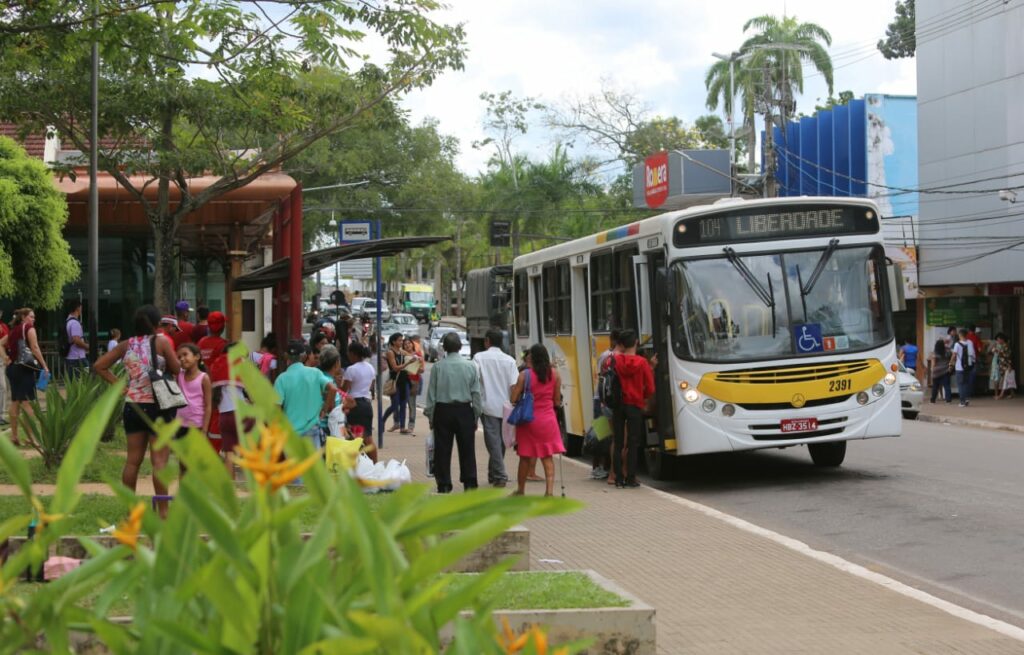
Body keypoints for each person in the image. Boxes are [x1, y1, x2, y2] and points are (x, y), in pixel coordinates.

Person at [94, 305, 180, 517]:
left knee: (132, 461)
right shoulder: (161, 341)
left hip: (133, 405)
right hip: (158, 406)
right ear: (156, 323)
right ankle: (163, 511)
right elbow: (177, 368)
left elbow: (99, 365)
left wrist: (120, 385)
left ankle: (130, 511)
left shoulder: (126, 345)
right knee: (159, 461)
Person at [424, 331, 481, 493]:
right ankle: (470, 482)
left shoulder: (438, 367)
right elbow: (476, 393)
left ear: (444, 348)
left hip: (443, 411)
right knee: (467, 448)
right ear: (460, 346)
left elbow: (432, 395)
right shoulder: (470, 366)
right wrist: (476, 415)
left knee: (442, 449)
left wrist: (430, 416)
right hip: (464, 410)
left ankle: (444, 483)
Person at [509, 344, 565, 497]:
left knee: (525, 457)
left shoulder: (525, 375)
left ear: (532, 358)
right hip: (548, 421)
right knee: (547, 457)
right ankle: (549, 492)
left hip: (528, 421)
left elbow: (513, 399)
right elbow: (557, 401)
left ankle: (521, 490)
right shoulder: (555, 374)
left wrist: (516, 392)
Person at [609, 329, 654, 489]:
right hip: (634, 404)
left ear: (621, 344)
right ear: (636, 343)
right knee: (633, 443)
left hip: (618, 404)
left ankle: (618, 478)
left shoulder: (614, 360)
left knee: (619, 441)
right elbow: (650, 387)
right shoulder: (642, 363)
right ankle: (631, 478)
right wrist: (644, 397)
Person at [474, 329, 518, 488]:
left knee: (493, 442)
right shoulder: (510, 361)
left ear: (487, 341)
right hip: (507, 407)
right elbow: (514, 386)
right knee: (501, 442)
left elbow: (474, 380)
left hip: (488, 406)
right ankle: (493, 473)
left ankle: (499, 475)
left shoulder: (479, 358)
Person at [274, 339, 336, 450]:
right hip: (312, 430)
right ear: (303, 357)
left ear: (286, 357)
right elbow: (333, 389)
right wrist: (324, 409)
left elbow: (276, 409)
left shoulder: (281, 379)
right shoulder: (315, 373)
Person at [4, 308, 49, 446]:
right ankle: (32, 438)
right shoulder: (28, 328)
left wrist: (6, 357)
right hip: (24, 369)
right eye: (31, 316)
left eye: (34, 317)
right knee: (27, 403)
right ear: (23, 317)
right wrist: (44, 365)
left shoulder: (13, 330)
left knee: (15, 401)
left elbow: (0, 343)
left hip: (12, 369)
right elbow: (34, 347)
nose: (33, 319)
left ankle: (14, 436)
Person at [175, 343, 211, 475]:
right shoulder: (179, 376)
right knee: (183, 464)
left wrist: (204, 431)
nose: (182, 359)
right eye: (179, 357)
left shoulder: (204, 378)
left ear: (197, 357)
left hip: (197, 426)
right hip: (181, 426)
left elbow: (208, 406)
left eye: (185, 355)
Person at [592, 330, 622, 481]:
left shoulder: (607, 355)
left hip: (602, 399)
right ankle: (597, 467)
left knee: (605, 435)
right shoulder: (607, 356)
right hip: (602, 399)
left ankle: (603, 467)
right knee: (601, 434)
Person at [341, 341, 377, 461]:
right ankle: (373, 464)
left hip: (355, 406)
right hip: (367, 404)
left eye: (349, 354)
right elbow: (371, 385)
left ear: (353, 354)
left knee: (358, 438)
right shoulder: (370, 367)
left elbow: (344, 389)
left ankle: (367, 464)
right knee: (367, 437)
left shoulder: (351, 370)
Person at [381, 333, 413, 434]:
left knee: (403, 404)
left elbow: (411, 356)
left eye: (402, 340)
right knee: (395, 405)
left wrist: (415, 359)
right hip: (395, 380)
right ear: (394, 341)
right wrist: (408, 363)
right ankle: (382, 420)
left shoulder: (401, 351)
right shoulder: (390, 352)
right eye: (399, 340)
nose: (401, 342)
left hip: (404, 380)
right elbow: (395, 368)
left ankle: (402, 427)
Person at [950, 328, 976, 407]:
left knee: (960, 384)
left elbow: (954, 355)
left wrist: (950, 363)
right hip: (968, 366)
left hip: (959, 367)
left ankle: (962, 402)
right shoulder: (970, 342)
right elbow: (972, 354)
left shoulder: (957, 344)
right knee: (966, 383)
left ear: (960, 335)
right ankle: (966, 399)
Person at [64, 299, 89, 378]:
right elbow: (76, 340)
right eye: (81, 307)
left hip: (70, 357)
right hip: (78, 359)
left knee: (73, 385)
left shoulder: (67, 321)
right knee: (83, 383)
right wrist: (88, 346)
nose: (81, 309)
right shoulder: (75, 323)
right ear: (78, 308)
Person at [403, 336, 424, 432]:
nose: (407, 345)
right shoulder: (402, 355)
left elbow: (422, 370)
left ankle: (411, 426)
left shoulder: (418, 355)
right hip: (403, 381)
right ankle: (401, 424)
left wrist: (417, 367)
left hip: (414, 381)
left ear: (412, 344)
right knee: (402, 404)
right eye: (405, 344)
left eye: (409, 343)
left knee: (411, 404)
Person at [927, 338, 952, 404]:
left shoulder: (935, 353)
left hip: (936, 372)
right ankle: (948, 400)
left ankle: (932, 400)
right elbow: (951, 358)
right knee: (947, 386)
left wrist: (932, 370)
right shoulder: (947, 352)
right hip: (945, 370)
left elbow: (933, 363)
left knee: (935, 386)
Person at [992, 333, 1015, 400]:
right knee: (1007, 379)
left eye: (999, 340)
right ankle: (1012, 393)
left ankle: (1001, 395)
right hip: (1003, 365)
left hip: (1006, 364)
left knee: (1005, 379)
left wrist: (997, 351)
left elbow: (1006, 356)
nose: (998, 341)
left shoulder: (1006, 346)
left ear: (1002, 340)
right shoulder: (1002, 346)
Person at [0, 309, 8, 425]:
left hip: (1, 358)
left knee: (3, 387)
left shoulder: (4, 326)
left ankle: (1, 414)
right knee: (2, 387)